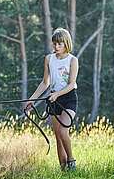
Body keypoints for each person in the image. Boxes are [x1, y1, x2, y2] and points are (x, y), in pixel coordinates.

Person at [25, 28, 79, 171]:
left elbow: (72, 84)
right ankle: (63, 169)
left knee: (63, 131)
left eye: (59, 44)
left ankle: (71, 161)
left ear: (66, 43)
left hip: (68, 98)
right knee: (58, 137)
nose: (56, 47)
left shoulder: (72, 60)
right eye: (54, 43)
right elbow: (45, 82)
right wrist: (32, 99)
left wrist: (57, 94)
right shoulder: (49, 59)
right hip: (53, 99)